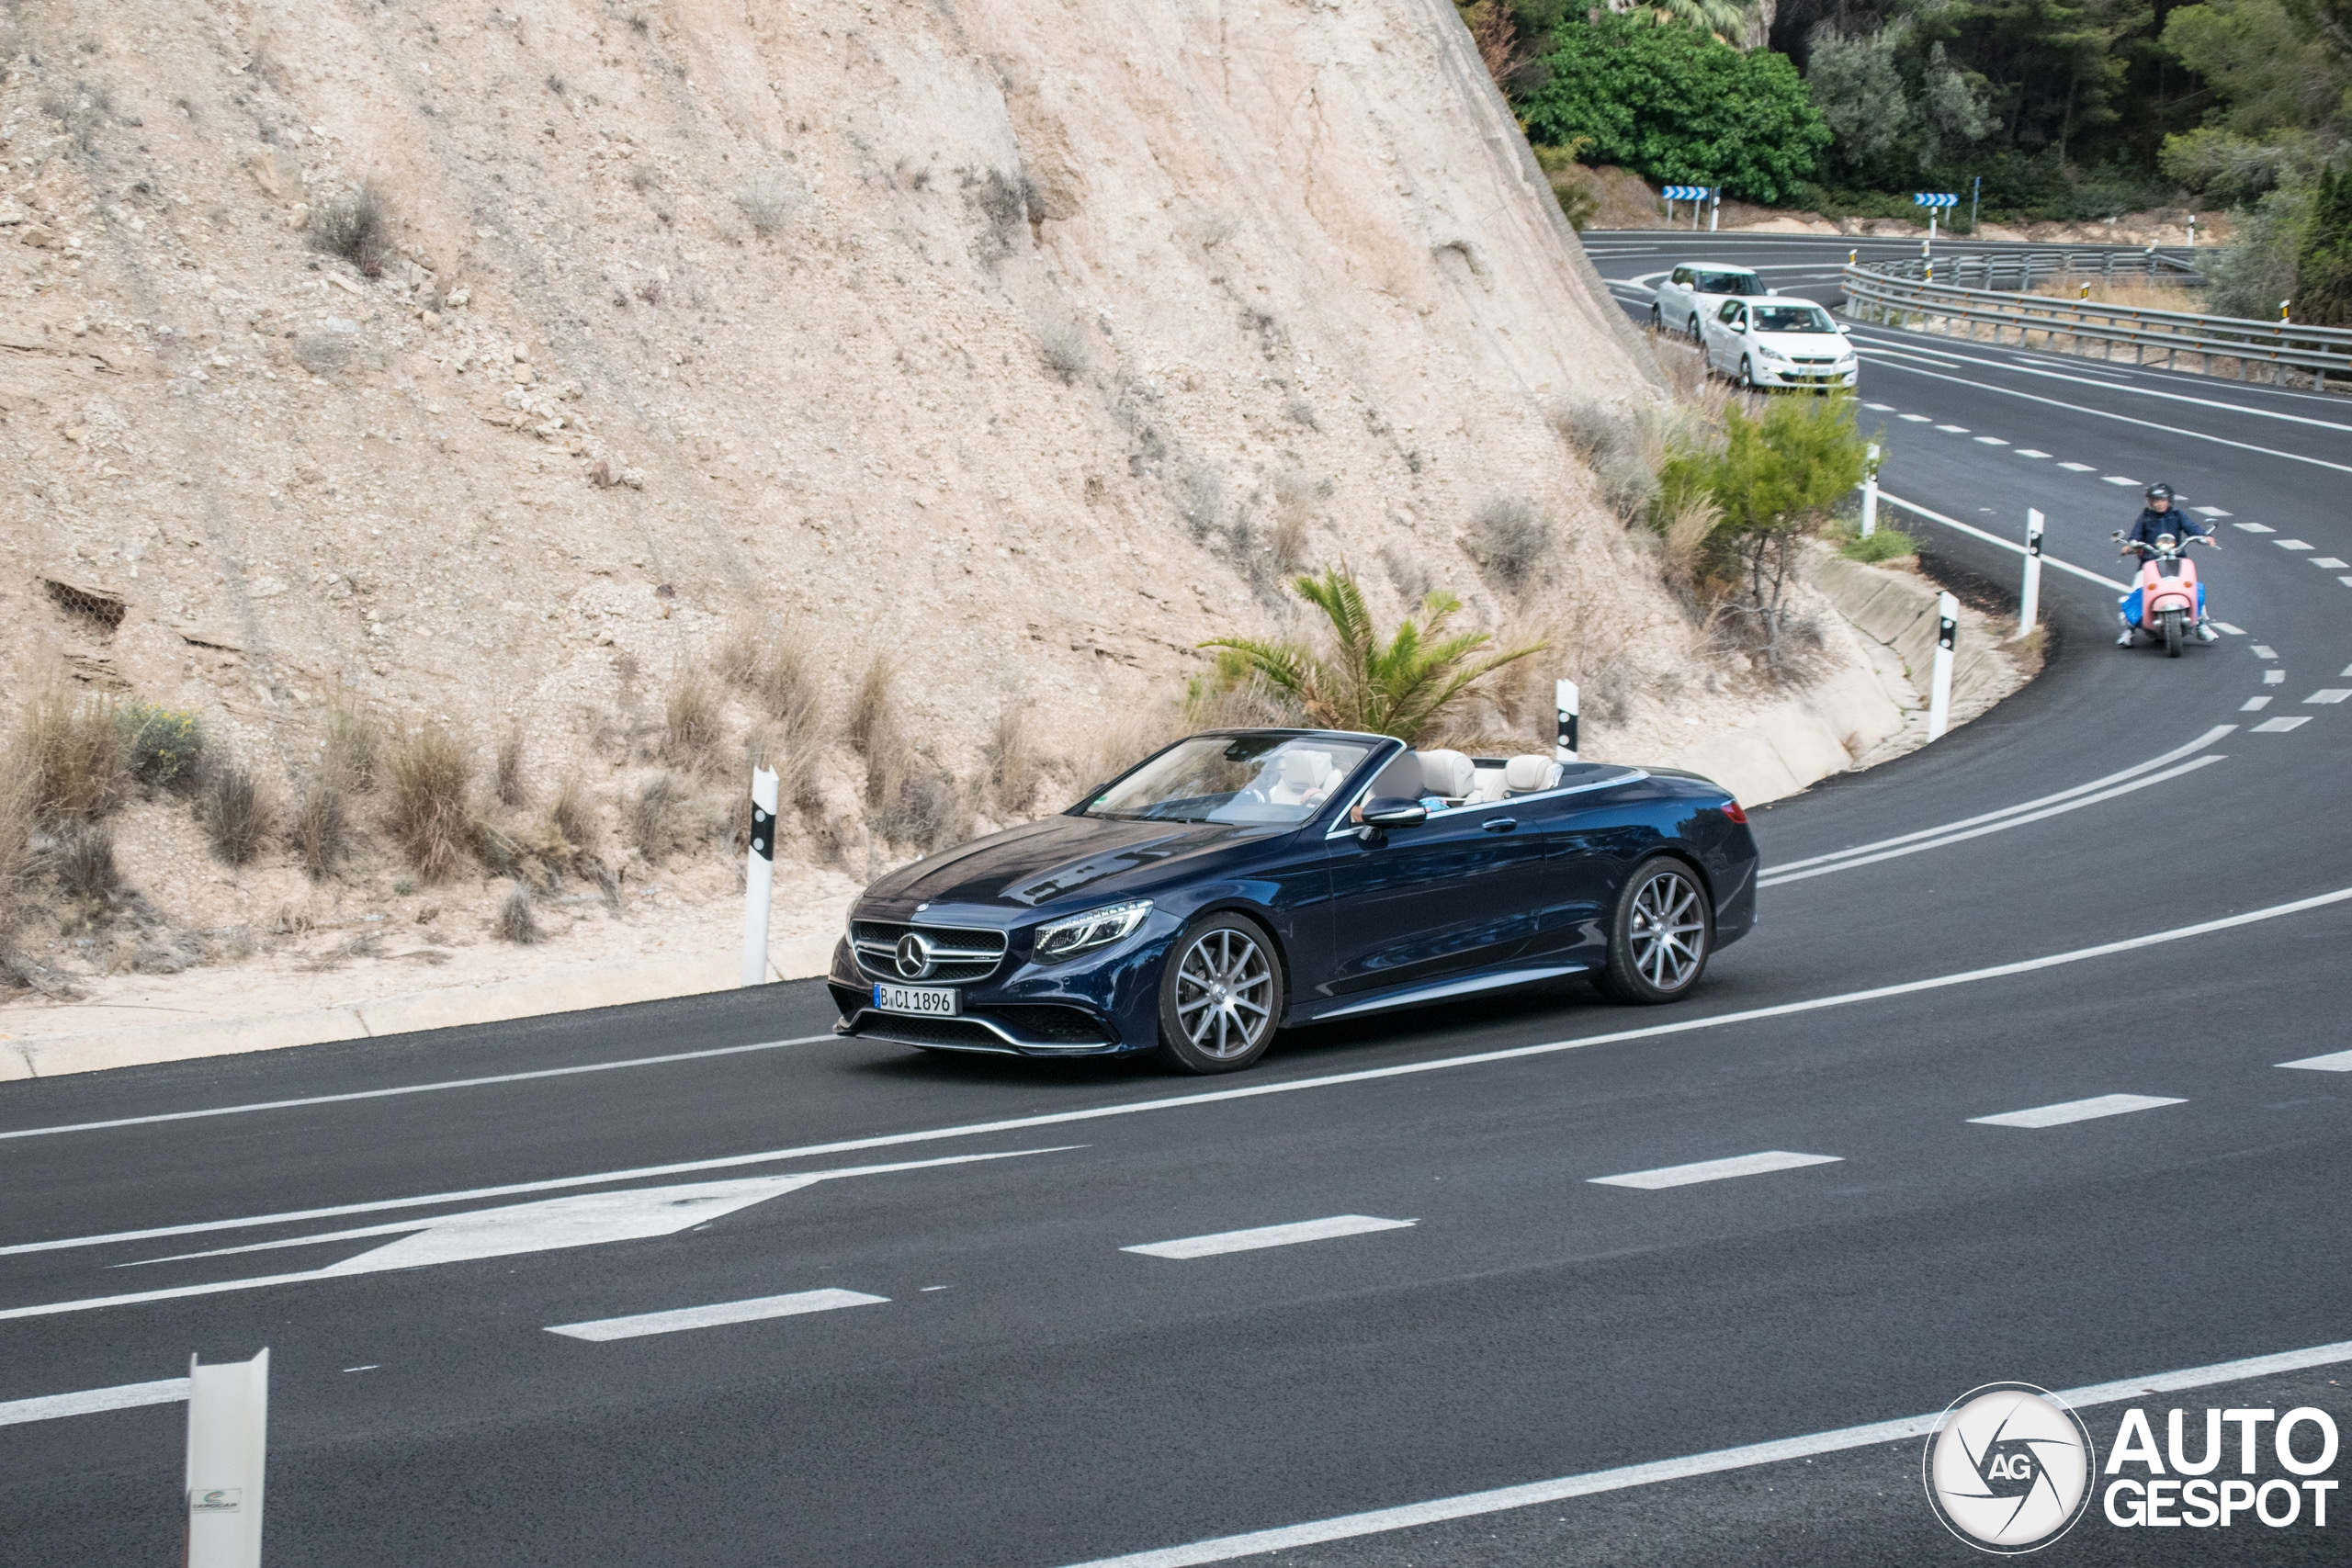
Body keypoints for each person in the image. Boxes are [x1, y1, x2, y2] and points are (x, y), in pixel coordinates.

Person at [2117, 483, 2221, 645]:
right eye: (2155, 500)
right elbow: (2135, 535)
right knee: (2136, 592)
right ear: (2150, 502)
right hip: (2149, 561)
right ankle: (2128, 631)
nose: (2159, 503)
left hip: (2176, 560)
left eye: (2162, 500)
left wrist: (2203, 536)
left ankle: (2201, 624)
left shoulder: (2177, 516)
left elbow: (2191, 528)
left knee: (2193, 588)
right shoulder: (2145, 518)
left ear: (2169, 500)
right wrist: (2130, 545)